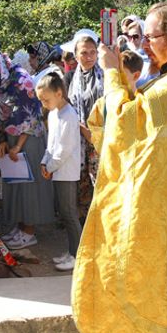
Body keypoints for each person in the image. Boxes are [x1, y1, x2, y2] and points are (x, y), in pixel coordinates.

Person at [72, 2, 167, 333]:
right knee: (160, 270)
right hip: (163, 193)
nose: (144, 46)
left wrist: (108, 71)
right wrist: (119, 74)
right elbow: (139, 108)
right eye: (142, 38)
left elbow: (125, 122)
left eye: (152, 37)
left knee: (149, 268)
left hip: (162, 199)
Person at [0, 50, 54, 249]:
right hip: (10, 138)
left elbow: (32, 117)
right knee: (15, 182)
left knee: (29, 185)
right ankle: (20, 227)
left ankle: (29, 232)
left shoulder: (21, 79)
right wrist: (0, 139)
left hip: (28, 138)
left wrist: (17, 146)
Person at [36, 73, 82, 272]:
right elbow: (51, 143)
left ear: (59, 93)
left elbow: (64, 149)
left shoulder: (69, 116)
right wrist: (44, 163)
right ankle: (71, 251)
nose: (44, 104)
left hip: (66, 172)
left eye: (46, 99)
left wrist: (49, 166)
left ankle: (77, 255)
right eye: (41, 101)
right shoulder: (54, 113)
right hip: (56, 169)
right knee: (64, 213)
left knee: (70, 214)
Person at [61, 29, 103, 223]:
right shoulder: (71, 79)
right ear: (76, 56)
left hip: (99, 139)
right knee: (82, 183)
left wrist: (92, 133)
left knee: (101, 182)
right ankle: (87, 226)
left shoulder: (105, 77)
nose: (89, 57)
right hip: (78, 138)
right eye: (84, 53)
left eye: (93, 52)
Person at [87, 50, 144, 155]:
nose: (115, 77)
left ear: (136, 76)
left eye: (121, 73)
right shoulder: (102, 102)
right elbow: (95, 131)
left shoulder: (142, 102)